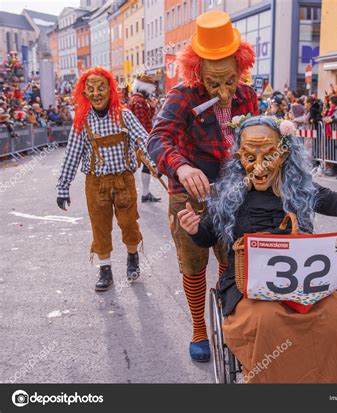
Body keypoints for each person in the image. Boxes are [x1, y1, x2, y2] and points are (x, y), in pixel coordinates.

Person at [177, 115, 337, 383]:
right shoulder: (231, 194)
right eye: (249, 157)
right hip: (247, 285)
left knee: (333, 316)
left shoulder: (301, 189)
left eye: (268, 157)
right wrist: (193, 228)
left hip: (301, 283)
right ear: (239, 156)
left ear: (284, 154)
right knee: (268, 321)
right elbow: (206, 236)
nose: (259, 166)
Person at [147, 11, 258, 362]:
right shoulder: (181, 95)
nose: (224, 92)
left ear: (240, 67)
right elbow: (157, 139)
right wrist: (180, 166)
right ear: (198, 72)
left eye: (230, 81)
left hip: (234, 190)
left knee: (234, 259)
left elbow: (260, 136)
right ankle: (198, 327)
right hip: (190, 192)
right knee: (193, 263)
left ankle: (227, 320)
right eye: (215, 84)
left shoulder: (248, 96)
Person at [56, 66, 158, 292]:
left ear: (110, 90)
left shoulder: (124, 115)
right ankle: (105, 270)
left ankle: (133, 258)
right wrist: (63, 187)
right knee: (100, 227)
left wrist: (157, 165)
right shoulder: (82, 122)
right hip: (96, 184)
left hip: (124, 181)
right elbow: (72, 154)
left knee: (129, 224)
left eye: (100, 87)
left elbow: (144, 140)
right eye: (90, 89)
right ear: (84, 93)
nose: (96, 93)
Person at [129, 74, 162, 203]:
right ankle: (145, 193)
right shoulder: (139, 101)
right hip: (141, 140)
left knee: (146, 166)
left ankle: (145, 193)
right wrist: (146, 140)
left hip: (141, 139)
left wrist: (152, 107)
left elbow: (147, 119)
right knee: (146, 165)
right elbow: (141, 124)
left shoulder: (138, 100)